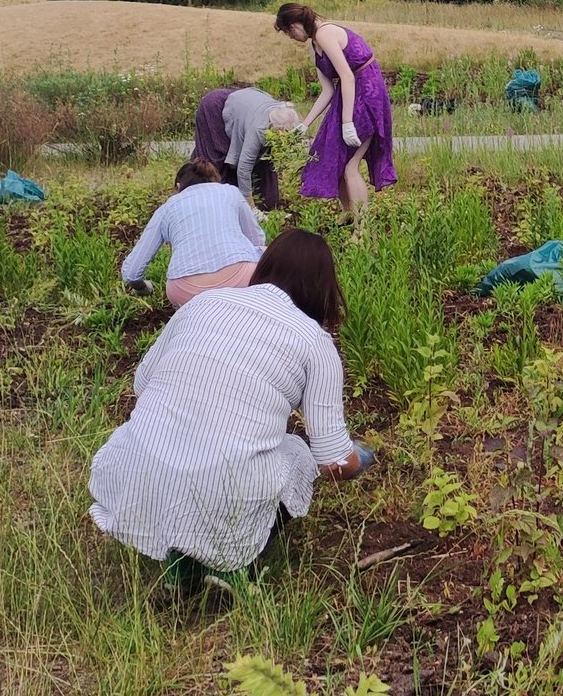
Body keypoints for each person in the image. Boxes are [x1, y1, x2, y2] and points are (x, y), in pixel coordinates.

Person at [88, 228, 374, 595]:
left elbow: (142, 385)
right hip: (223, 483)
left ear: (264, 266)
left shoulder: (204, 303)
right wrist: (361, 459)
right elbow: (333, 458)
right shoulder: (314, 341)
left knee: (200, 461)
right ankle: (233, 563)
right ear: (324, 288)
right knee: (297, 453)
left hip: (139, 469)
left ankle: (182, 568)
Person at [275, 2, 395, 218]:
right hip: (347, 95)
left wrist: (347, 123)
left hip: (367, 93)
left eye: (288, 33)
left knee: (350, 166)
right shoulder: (315, 45)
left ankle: (363, 230)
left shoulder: (325, 33)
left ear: (294, 25)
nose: (291, 38)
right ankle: (349, 215)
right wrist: (305, 124)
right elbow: (327, 91)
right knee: (329, 156)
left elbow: (348, 76)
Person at [121, 160, 267, 307]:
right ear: (215, 181)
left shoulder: (168, 207)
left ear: (178, 187)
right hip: (239, 280)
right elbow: (257, 240)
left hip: (185, 290)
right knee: (265, 252)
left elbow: (131, 273)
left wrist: (144, 289)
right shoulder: (230, 192)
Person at [192, 84, 298, 211]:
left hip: (242, 104)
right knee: (219, 159)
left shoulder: (285, 115)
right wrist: (251, 209)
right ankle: (216, 203)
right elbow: (243, 169)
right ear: (278, 129)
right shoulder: (259, 129)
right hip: (216, 109)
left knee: (264, 161)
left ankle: (267, 206)